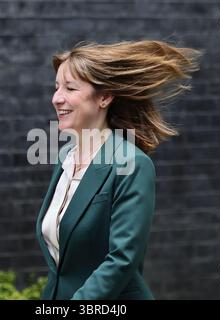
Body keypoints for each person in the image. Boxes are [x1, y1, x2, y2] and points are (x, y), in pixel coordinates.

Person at [35, 40, 202, 299]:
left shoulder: (131, 163)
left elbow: (122, 259)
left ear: (104, 97)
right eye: (56, 87)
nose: (57, 98)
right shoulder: (66, 157)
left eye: (69, 87)